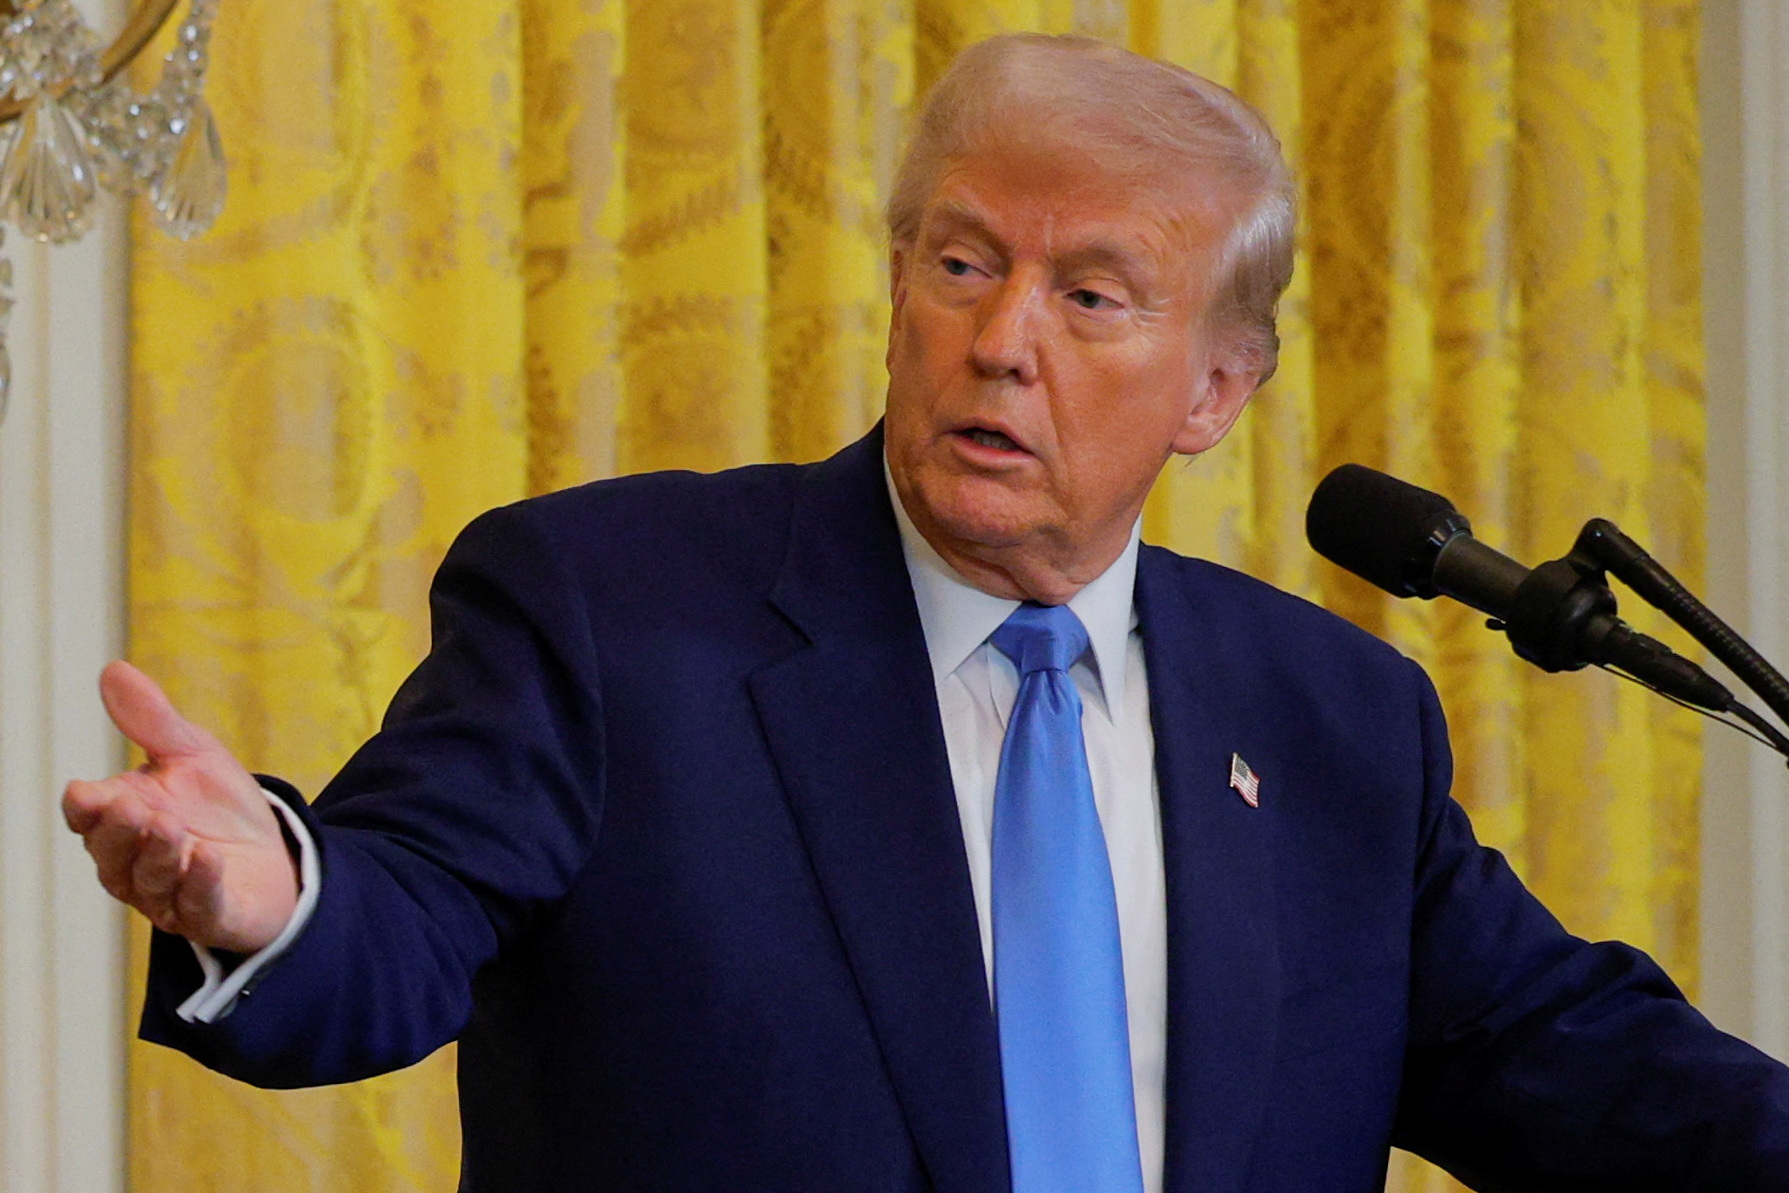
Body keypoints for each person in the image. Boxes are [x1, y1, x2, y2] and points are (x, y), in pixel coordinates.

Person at [63, 32, 1789, 1193]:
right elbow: (398, 924)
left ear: (1213, 390)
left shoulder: (1332, 714)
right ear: (898, 287)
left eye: (1090, 293)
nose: (1003, 336)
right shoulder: (609, 612)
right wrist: (274, 892)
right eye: (962, 262)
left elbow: (1568, 1059)